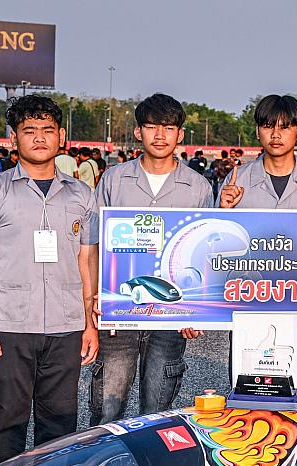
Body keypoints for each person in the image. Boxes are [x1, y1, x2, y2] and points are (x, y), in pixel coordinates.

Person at [0, 95, 99, 466]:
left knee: (60, 428)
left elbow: (87, 260)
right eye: (29, 130)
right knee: (7, 424)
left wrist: (89, 323)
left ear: (61, 136)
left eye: (47, 130)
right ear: (14, 138)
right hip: (9, 327)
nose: (39, 137)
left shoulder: (82, 195)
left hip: (65, 325)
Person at [91, 93, 213, 425]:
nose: (160, 135)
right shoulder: (114, 179)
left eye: (168, 128)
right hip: (119, 313)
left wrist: (198, 310)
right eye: (151, 127)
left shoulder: (198, 187)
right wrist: (94, 297)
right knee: (107, 411)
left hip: (172, 314)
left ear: (180, 134)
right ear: (138, 132)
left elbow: (202, 253)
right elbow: (95, 243)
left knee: (157, 413)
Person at [219, 94, 297, 392]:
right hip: (249, 298)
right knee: (247, 387)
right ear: (257, 130)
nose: (276, 134)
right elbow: (217, 247)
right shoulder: (236, 180)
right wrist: (223, 211)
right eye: (268, 126)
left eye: (285, 127)